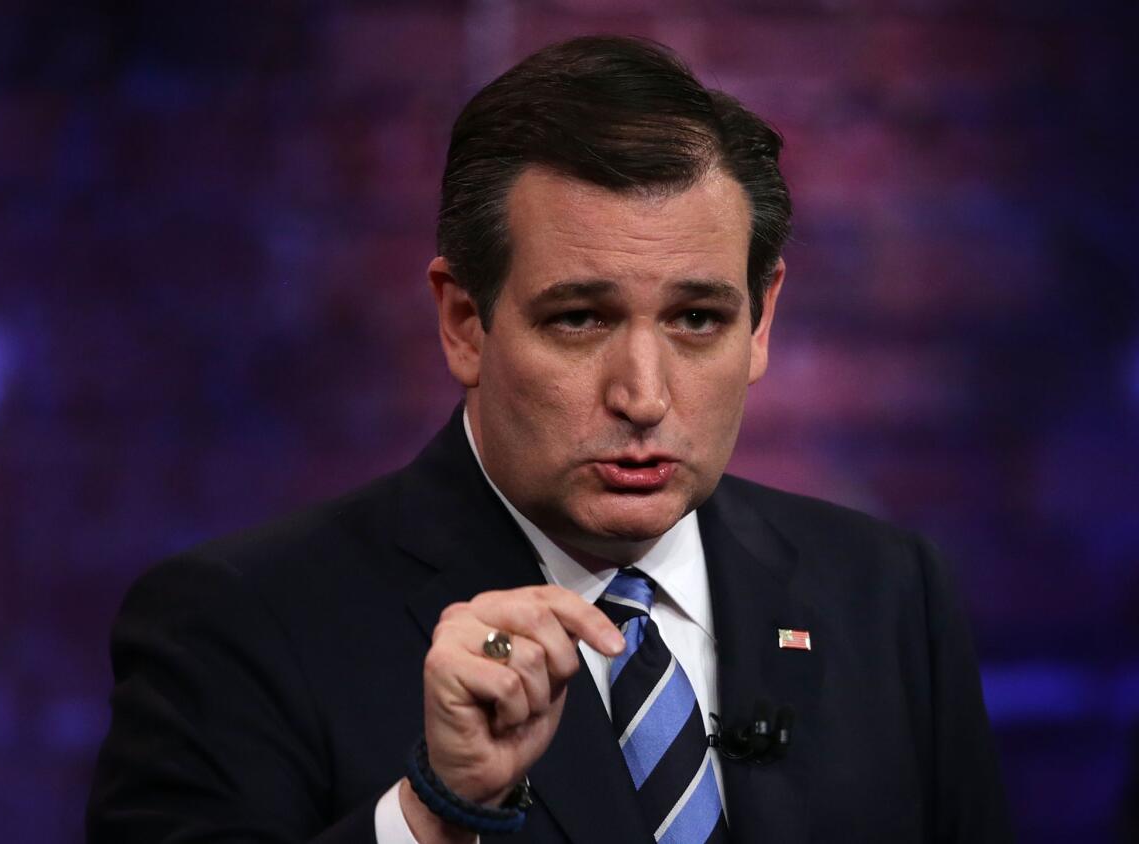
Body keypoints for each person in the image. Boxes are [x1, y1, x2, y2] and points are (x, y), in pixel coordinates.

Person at [87, 35, 1013, 843]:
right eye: (578, 319)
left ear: (762, 321)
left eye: (697, 318)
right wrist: (432, 816)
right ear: (464, 322)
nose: (644, 396)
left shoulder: (890, 597)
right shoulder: (239, 625)